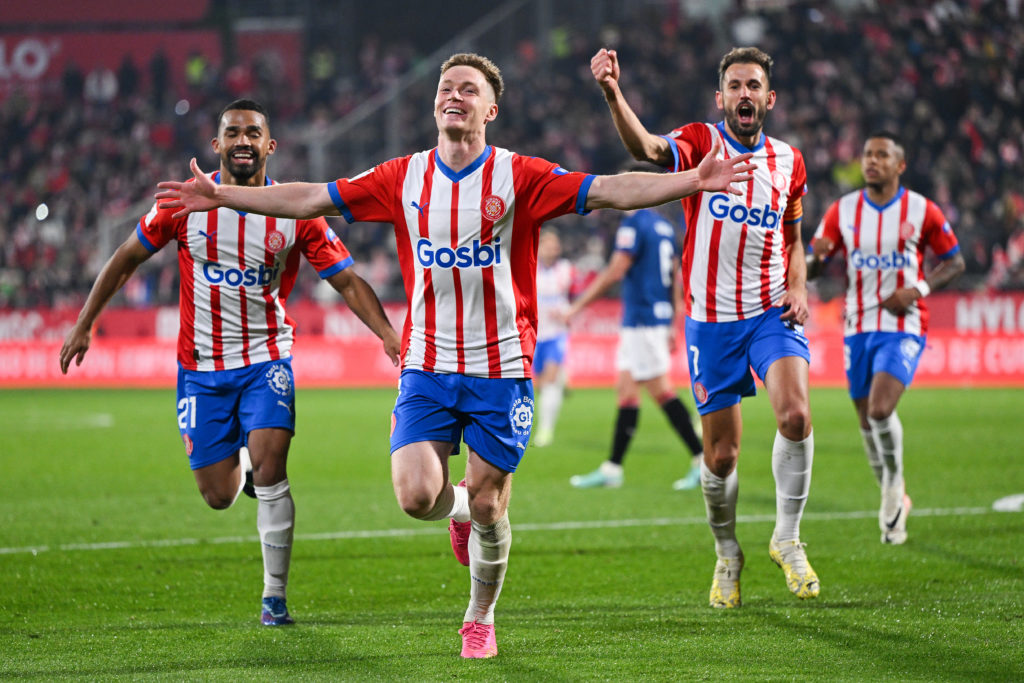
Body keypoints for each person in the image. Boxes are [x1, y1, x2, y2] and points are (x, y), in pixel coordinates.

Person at [155, 53, 755, 657]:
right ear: (434, 102)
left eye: (469, 90)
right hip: (429, 367)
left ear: (490, 109)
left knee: (494, 505)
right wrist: (224, 194)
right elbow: (312, 197)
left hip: (501, 369)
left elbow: (608, 190)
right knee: (417, 496)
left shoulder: (519, 176)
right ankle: (456, 505)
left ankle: (480, 615)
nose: (455, 96)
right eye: (447, 88)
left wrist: (691, 181)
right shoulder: (403, 176)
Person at [60, 99, 401, 627]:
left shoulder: (295, 212)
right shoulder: (183, 206)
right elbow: (126, 256)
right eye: (233, 133)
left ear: (271, 146)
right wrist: (86, 321)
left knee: (272, 469)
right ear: (217, 145)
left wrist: (386, 334)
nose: (243, 141)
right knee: (218, 495)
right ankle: (240, 473)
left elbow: (347, 280)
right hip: (201, 368)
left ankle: (274, 597)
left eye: (253, 133)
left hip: (267, 358)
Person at [591, 45, 817, 609]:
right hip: (711, 320)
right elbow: (644, 149)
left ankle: (787, 538)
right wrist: (613, 93)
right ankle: (726, 553)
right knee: (721, 458)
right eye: (734, 85)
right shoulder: (699, 142)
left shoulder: (790, 161)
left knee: (795, 415)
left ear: (770, 98)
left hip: (770, 310)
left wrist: (799, 284)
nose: (744, 93)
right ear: (722, 98)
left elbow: (793, 238)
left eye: (753, 85)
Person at [809, 131, 964, 544]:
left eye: (882, 155)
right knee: (864, 418)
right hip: (857, 325)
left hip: (904, 323)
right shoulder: (842, 211)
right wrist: (809, 259)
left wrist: (917, 290)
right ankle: (893, 492)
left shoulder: (922, 209)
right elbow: (816, 266)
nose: (871, 161)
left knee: (879, 409)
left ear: (900, 165)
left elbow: (955, 261)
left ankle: (894, 486)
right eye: (867, 154)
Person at [567, 203, 703, 491]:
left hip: (643, 318)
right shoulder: (666, 228)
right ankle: (612, 468)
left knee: (661, 391)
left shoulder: (634, 225)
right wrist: (672, 321)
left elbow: (616, 270)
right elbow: (676, 279)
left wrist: (576, 307)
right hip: (650, 319)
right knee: (627, 392)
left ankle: (702, 460)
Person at [532, 229, 574, 447]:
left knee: (549, 381)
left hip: (556, 334)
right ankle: (563, 380)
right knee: (538, 385)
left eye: (555, 245)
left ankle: (545, 431)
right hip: (534, 335)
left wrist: (568, 311)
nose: (553, 249)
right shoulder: (530, 268)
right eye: (548, 245)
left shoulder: (565, 269)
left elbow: (573, 297)